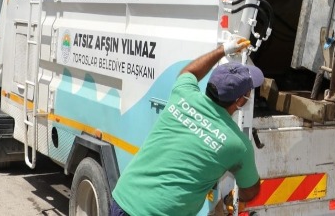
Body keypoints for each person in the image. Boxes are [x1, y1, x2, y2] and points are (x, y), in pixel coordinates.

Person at [111, 36, 263, 216]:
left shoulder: (183, 94)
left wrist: (223, 50)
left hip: (124, 199)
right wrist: (228, 201)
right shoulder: (238, 145)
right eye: (249, 92)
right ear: (239, 100)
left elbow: (189, 71)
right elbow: (250, 191)